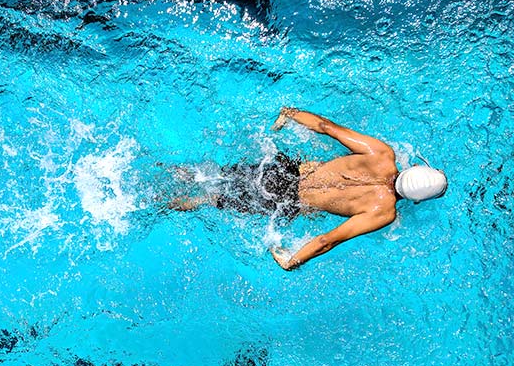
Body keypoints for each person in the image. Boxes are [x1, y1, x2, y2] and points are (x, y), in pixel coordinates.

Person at [169, 107, 447, 270]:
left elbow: (327, 127)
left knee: (210, 175)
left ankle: (170, 170)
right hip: (286, 201)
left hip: (283, 170)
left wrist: (291, 114)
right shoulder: (383, 212)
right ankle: (163, 203)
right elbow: (328, 240)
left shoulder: (381, 154)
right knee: (211, 199)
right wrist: (293, 261)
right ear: (417, 200)